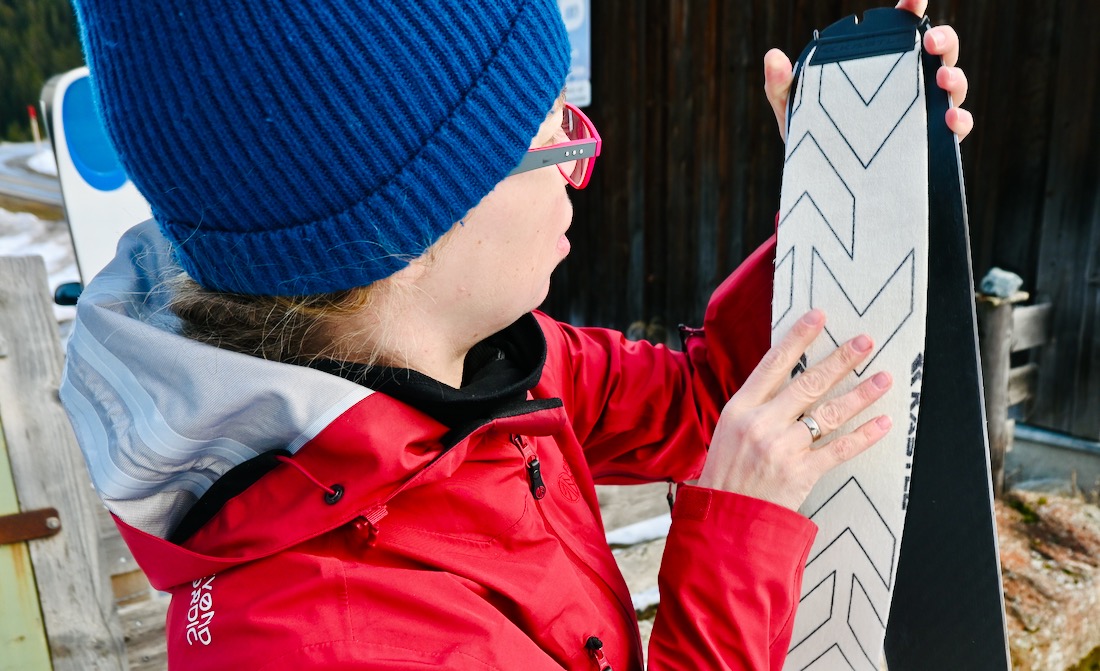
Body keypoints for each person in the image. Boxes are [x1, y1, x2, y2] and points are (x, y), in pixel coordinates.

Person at [60, 0, 970, 668]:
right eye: (549, 133)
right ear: (409, 226)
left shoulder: (472, 363)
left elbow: (700, 398)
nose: (580, 161)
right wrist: (733, 548)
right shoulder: (325, 645)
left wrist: (831, 202)